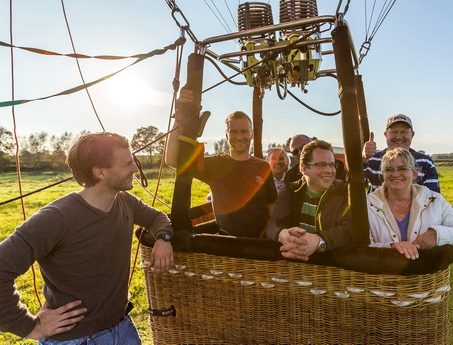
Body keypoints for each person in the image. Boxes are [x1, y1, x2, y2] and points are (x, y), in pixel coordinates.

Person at [0, 132, 174, 344]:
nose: (135, 169)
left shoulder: (125, 201)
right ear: (100, 172)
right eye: (127, 163)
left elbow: (156, 217)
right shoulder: (57, 217)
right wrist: (28, 326)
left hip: (122, 327)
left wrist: (163, 239)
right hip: (77, 339)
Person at [166, 90, 277, 238]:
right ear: (227, 135)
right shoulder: (215, 165)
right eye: (234, 132)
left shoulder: (263, 167)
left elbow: (271, 206)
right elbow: (172, 159)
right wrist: (179, 119)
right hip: (226, 242)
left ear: (251, 134)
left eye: (244, 132)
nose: (239, 136)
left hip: (258, 243)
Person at [367, 147, 453, 260]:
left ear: (414, 174)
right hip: (382, 277)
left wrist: (437, 235)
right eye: (389, 169)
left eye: (402, 168)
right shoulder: (368, 204)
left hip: (427, 278)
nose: (395, 174)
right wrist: (391, 246)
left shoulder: (434, 201)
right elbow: (359, 247)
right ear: (382, 175)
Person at [266, 140, 351, 261]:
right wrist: (282, 234)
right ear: (304, 168)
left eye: (332, 164)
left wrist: (319, 241)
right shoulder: (291, 191)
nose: (329, 170)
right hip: (295, 267)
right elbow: (273, 224)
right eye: (321, 164)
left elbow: (349, 229)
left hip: (333, 268)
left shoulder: (345, 193)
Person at [363, 114, 440, 192]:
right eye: (394, 132)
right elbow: (356, 183)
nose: (398, 137)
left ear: (412, 134)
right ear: (386, 134)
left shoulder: (425, 162)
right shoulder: (372, 158)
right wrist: (363, 159)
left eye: (404, 132)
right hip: (377, 204)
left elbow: (433, 197)